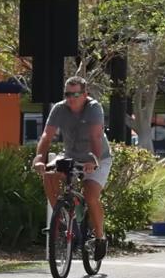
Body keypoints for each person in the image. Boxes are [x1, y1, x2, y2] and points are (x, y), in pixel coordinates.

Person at [32, 76, 111, 261]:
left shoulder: (94, 108)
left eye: (75, 94)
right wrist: (39, 159)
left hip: (97, 157)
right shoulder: (59, 108)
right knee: (49, 174)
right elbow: (46, 136)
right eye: (67, 94)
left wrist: (94, 160)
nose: (71, 98)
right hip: (71, 155)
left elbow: (96, 137)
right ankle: (64, 221)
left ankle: (100, 238)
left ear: (85, 94)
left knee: (91, 195)